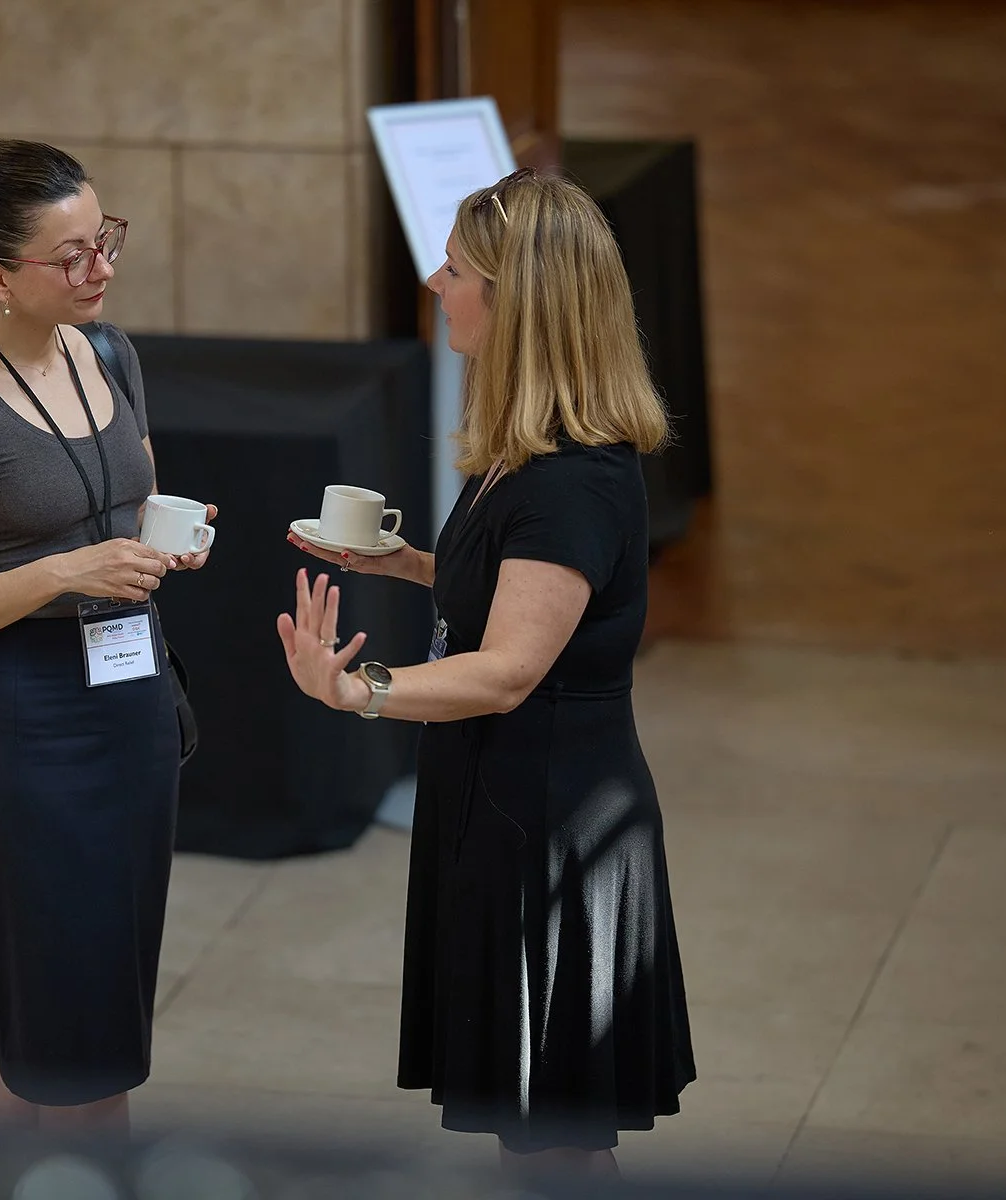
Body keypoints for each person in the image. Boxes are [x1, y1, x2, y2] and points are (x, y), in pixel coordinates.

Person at [280, 167, 695, 1182]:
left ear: (519, 304)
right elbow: (529, 601)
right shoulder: (526, 451)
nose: (435, 281)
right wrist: (413, 565)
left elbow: (509, 671)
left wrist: (357, 690)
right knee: (531, 1128)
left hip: (550, 829)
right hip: (506, 803)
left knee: (554, 1141)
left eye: (457, 269)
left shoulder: (569, 484)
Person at [0, 129, 211, 1135]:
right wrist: (68, 571)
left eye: (103, 237)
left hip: (129, 707)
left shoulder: (110, 352)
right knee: (58, 1032)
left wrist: (163, 540)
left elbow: (127, 495)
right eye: (71, 255)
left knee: (84, 1026)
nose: (101, 266)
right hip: (24, 725)